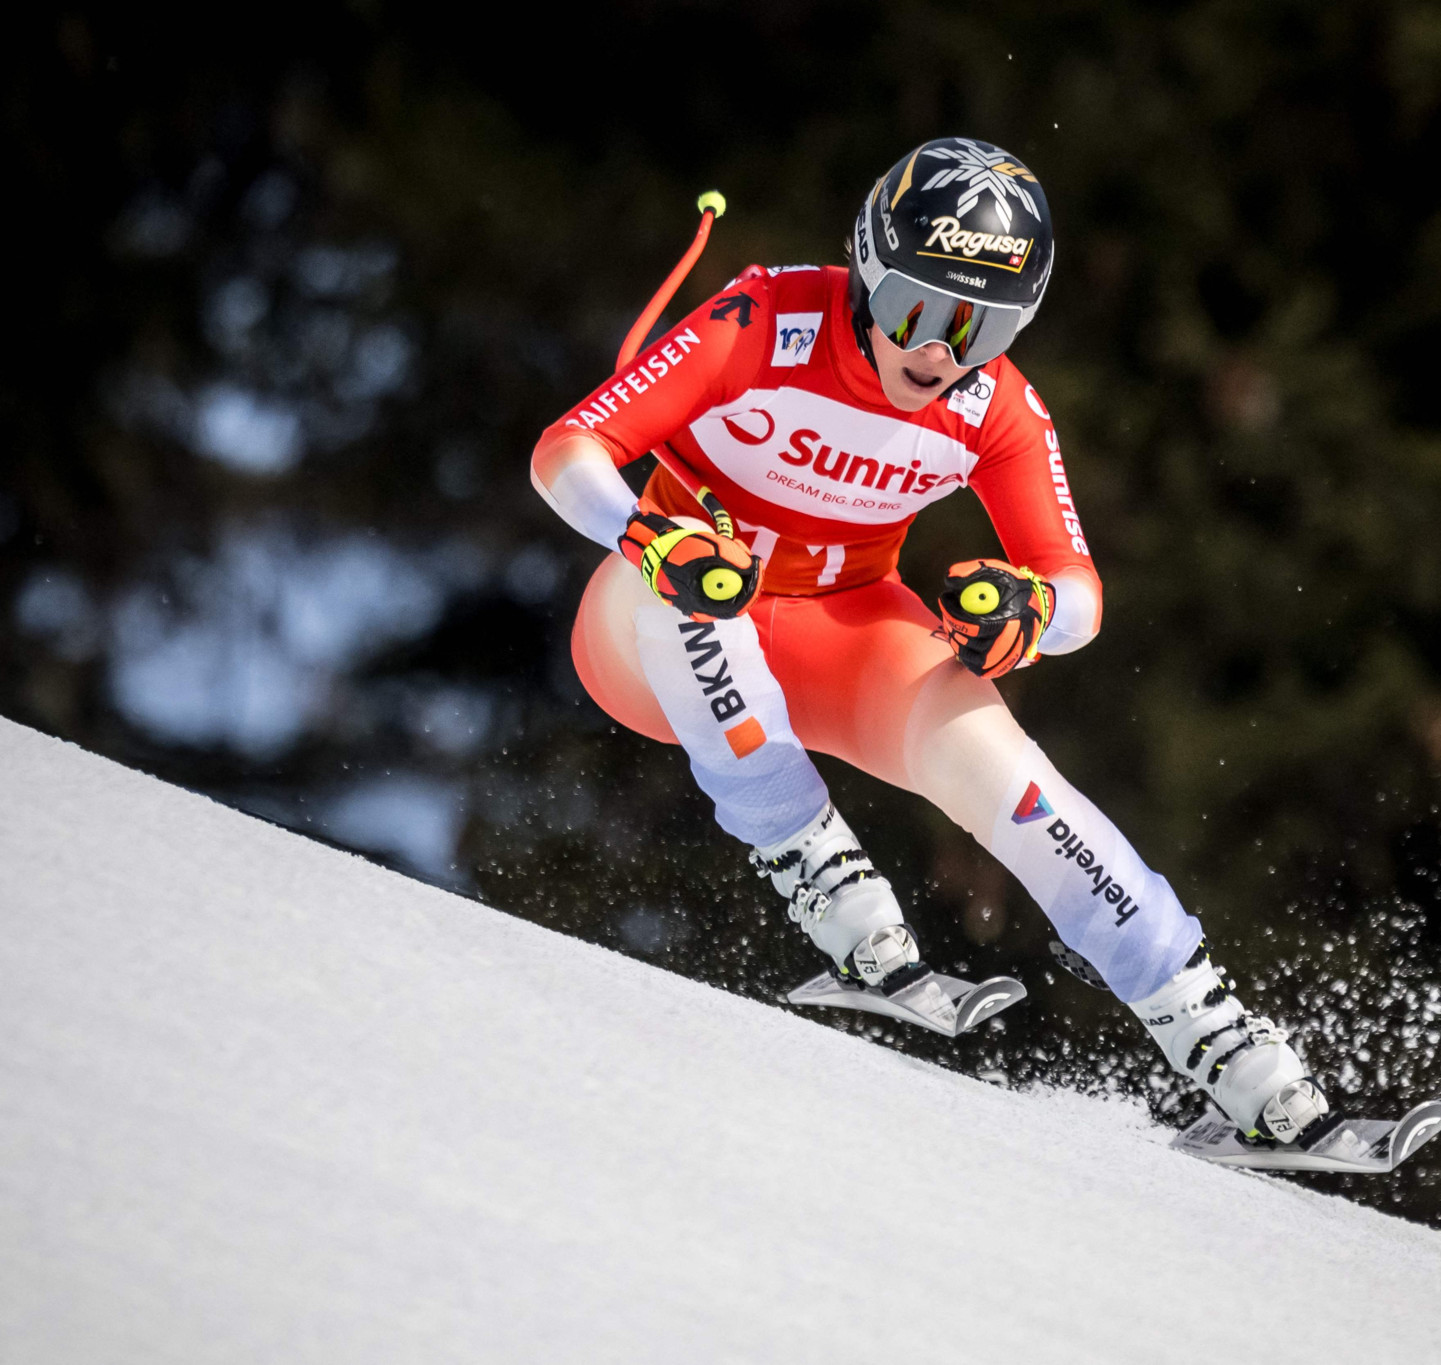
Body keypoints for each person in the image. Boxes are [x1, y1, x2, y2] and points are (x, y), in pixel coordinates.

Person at [530, 137, 1332, 1146]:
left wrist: (1028, 611)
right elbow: (567, 449)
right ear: (867, 274)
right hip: (658, 625)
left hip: (847, 632)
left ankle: (1232, 1053)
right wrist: (645, 532)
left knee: (1017, 785)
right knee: (701, 599)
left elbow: (1079, 589)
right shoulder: (764, 320)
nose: (939, 352)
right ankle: (834, 898)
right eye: (917, 309)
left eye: (984, 325)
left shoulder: (994, 405)